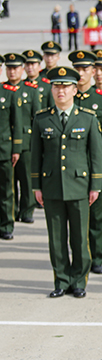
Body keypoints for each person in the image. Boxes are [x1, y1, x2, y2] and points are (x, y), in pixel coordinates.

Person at [31, 66, 102, 298]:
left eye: (65, 86)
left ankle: (79, 280)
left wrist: (95, 185)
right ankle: (61, 280)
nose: (60, 91)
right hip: (51, 186)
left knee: (80, 238)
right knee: (56, 238)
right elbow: (36, 155)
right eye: (56, 86)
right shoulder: (42, 119)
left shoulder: (88, 119)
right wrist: (36, 186)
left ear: (75, 89)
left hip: (79, 187)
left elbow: (95, 155)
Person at [69, 50, 102, 268]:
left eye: (85, 69)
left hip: (95, 165)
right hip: (71, 166)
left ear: (93, 71)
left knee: (97, 213)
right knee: (76, 216)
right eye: (77, 69)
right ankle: (80, 257)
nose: (81, 73)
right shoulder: (67, 100)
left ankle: (96, 257)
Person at [4, 53, 41, 225]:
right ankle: (12, 210)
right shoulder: (3, 90)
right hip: (5, 142)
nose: (12, 72)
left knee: (26, 178)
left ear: (22, 69)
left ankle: (27, 209)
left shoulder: (30, 90)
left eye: (16, 68)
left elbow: (37, 118)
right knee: (8, 182)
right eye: (9, 68)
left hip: (26, 142)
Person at [0, 54, 22, 241]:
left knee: (6, 189)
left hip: (3, 150)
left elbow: (16, 122)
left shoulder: (8, 93)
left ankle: (6, 224)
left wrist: (16, 148)